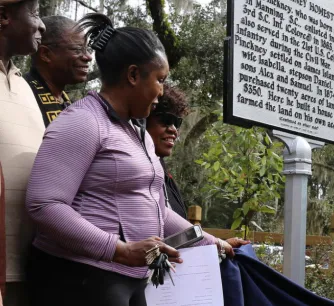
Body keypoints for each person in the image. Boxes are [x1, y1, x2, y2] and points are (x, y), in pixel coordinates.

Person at [25, 13, 247, 306]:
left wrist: (209, 241)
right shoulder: (81, 122)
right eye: (160, 80)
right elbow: (44, 205)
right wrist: (119, 250)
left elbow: (158, 208)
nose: (161, 92)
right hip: (82, 276)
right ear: (132, 75)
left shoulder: (136, 131)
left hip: (129, 278)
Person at [0, 0, 45, 304]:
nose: (42, 25)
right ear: (3, 16)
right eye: (35, 13)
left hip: (29, 266)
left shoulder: (25, 87)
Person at [24, 15, 92, 127]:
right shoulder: (22, 93)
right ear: (45, 54)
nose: (88, 57)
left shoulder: (64, 100)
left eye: (87, 49)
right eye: (78, 49)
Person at [146, 84, 189, 219]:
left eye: (177, 123)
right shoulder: (138, 172)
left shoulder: (165, 174)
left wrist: (217, 240)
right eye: (166, 120)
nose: (173, 130)